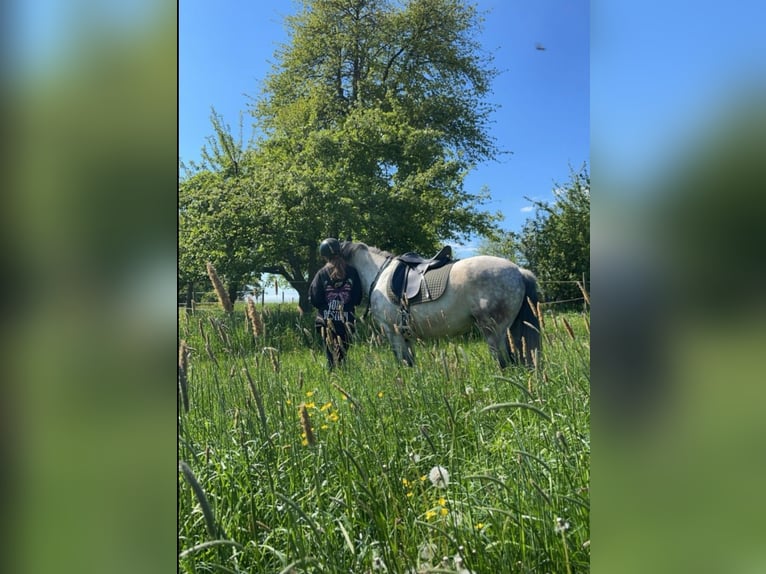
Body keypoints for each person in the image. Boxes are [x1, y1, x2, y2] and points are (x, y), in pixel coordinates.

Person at [309, 238, 363, 369]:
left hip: (326, 322)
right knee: (342, 355)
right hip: (347, 322)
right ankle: (343, 374)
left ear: (324, 255)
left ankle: (333, 377)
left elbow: (314, 298)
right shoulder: (352, 272)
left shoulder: (322, 273)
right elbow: (358, 298)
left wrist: (326, 306)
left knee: (331, 357)